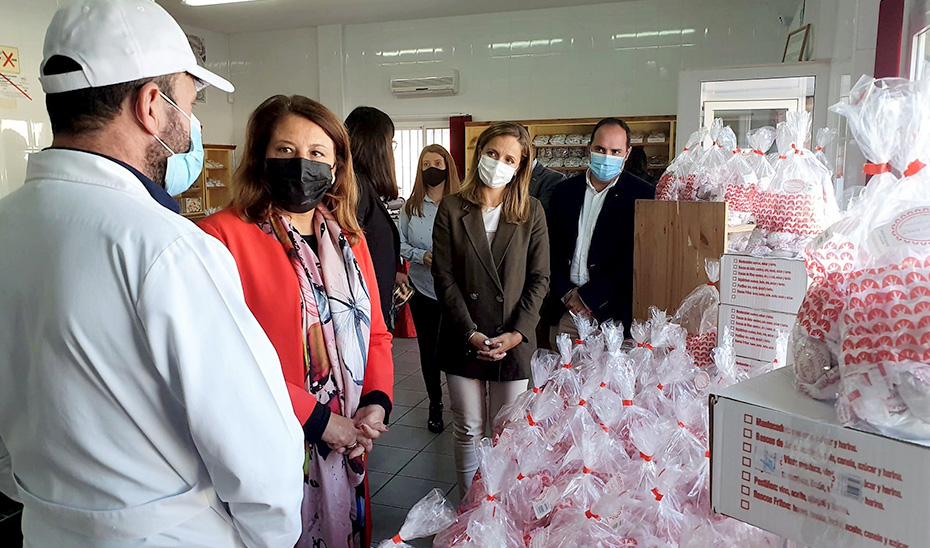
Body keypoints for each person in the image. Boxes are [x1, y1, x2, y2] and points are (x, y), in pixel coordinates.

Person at [0, 1, 305, 546]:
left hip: (44, 530)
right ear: (149, 106)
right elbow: (262, 457)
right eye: (186, 105)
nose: (188, 129)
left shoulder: (8, 224)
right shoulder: (168, 247)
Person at [198, 95, 394, 548]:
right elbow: (225, 360)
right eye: (285, 150)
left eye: (316, 153)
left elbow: (378, 333)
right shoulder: (221, 236)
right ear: (261, 156)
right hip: (271, 442)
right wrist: (319, 420)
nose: (301, 164)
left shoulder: (349, 238)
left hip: (348, 440)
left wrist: (375, 403)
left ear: (336, 166)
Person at [432, 122, 549, 496]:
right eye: (493, 153)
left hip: (513, 337)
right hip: (462, 332)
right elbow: (444, 275)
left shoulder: (532, 211)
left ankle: (497, 511)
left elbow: (539, 279)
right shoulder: (452, 206)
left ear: (520, 167)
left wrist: (516, 333)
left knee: (505, 434)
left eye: (509, 158)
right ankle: (468, 511)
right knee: (468, 427)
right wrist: (470, 331)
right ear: (479, 152)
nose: (499, 163)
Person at [545, 118, 656, 343]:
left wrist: (587, 298)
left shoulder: (643, 195)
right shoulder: (563, 192)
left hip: (612, 317)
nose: (607, 157)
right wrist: (568, 294)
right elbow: (550, 248)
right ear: (589, 149)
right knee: (560, 375)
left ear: (627, 154)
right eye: (600, 149)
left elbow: (635, 258)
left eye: (615, 151)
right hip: (566, 312)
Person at [399, 144, 461, 432]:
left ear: (448, 165)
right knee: (429, 351)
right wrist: (420, 255)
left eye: (437, 162)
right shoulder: (411, 206)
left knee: (459, 348)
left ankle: (462, 403)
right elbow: (399, 243)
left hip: (458, 291)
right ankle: (434, 404)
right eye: (425, 164)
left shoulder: (462, 203)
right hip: (423, 288)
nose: (431, 168)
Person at [345, 106, 404, 324]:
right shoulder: (356, 188)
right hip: (363, 314)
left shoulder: (362, 185)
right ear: (378, 146)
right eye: (390, 143)